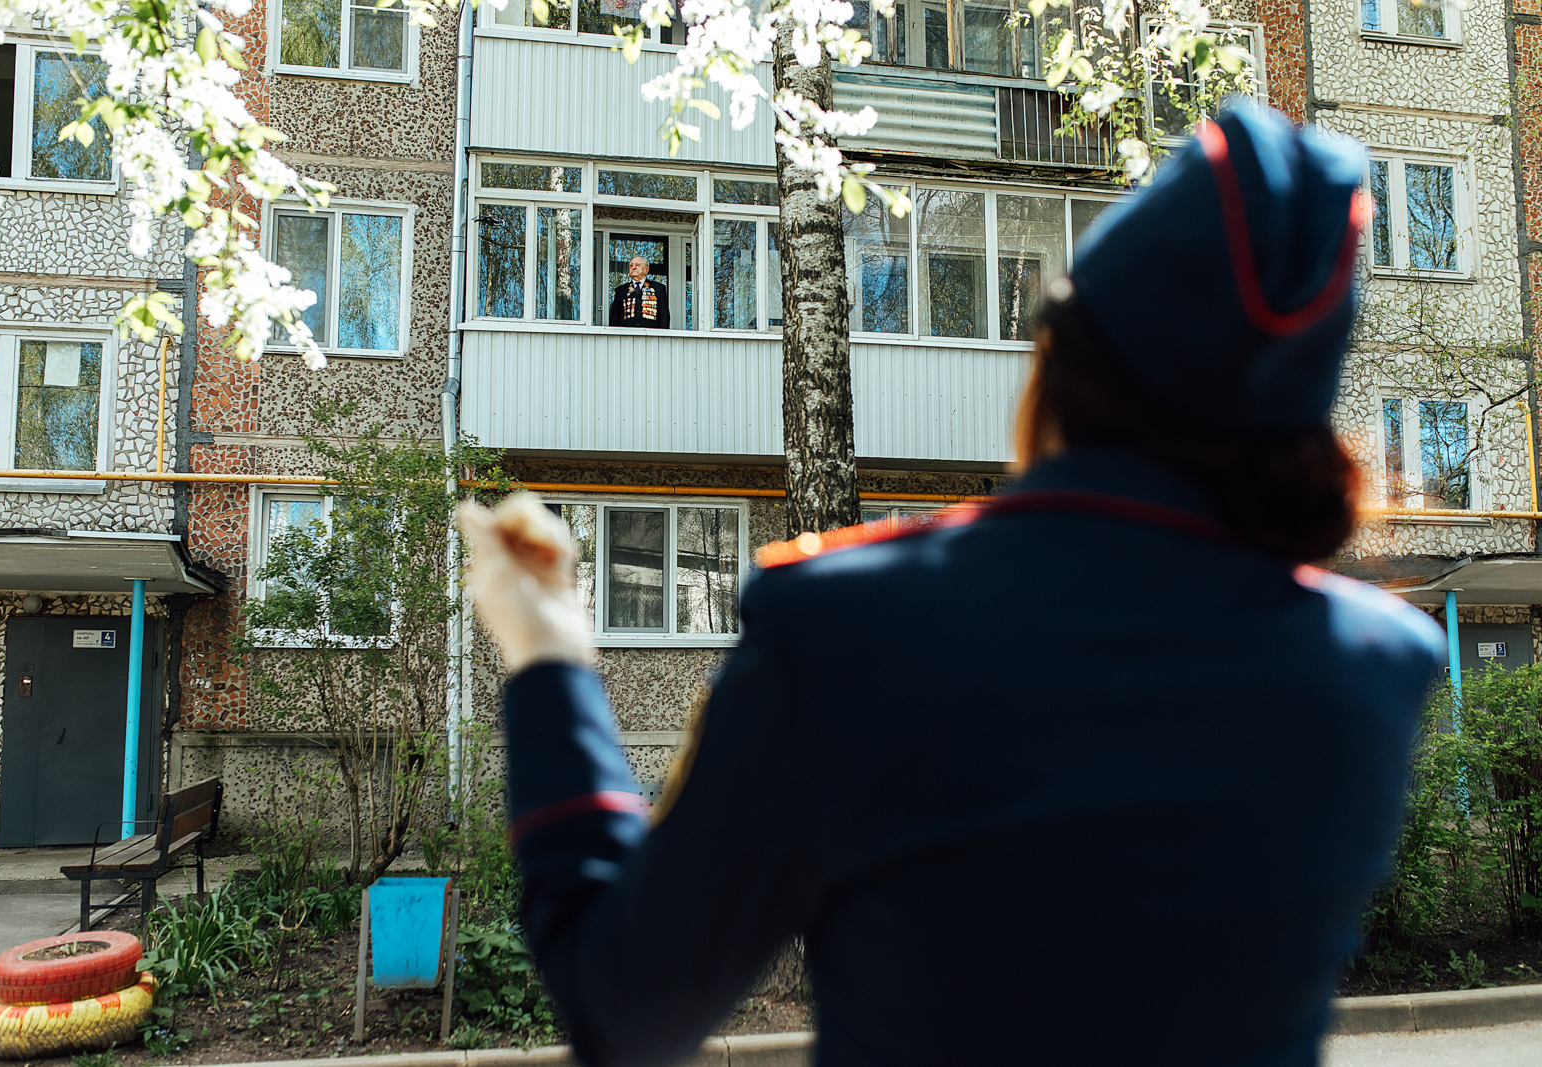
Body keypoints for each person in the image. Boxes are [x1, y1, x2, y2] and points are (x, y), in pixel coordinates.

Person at [460, 103, 1445, 1067]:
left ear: (1056, 366)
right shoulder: (1375, 670)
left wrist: (546, 648)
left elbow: (628, 1012)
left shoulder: (847, 627)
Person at [608, 255, 670, 329]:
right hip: (626, 336)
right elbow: (614, 318)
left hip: (651, 335)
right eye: (631, 265)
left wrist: (661, 336)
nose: (633, 267)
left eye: (637, 265)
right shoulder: (621, 290)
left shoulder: (658, 289)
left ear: (646, 269)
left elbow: (664, 316)